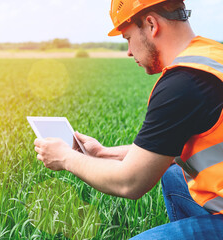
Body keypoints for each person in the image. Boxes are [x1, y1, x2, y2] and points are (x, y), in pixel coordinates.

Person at [33, 0, 223, 238]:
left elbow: (130, 183)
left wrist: (64, 157)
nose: (130, 51)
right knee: (172, 174)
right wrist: (102, 153)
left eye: (128, 38)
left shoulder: (183, 83)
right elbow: (163, 154)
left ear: (152, 24)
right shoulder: (211, 54)